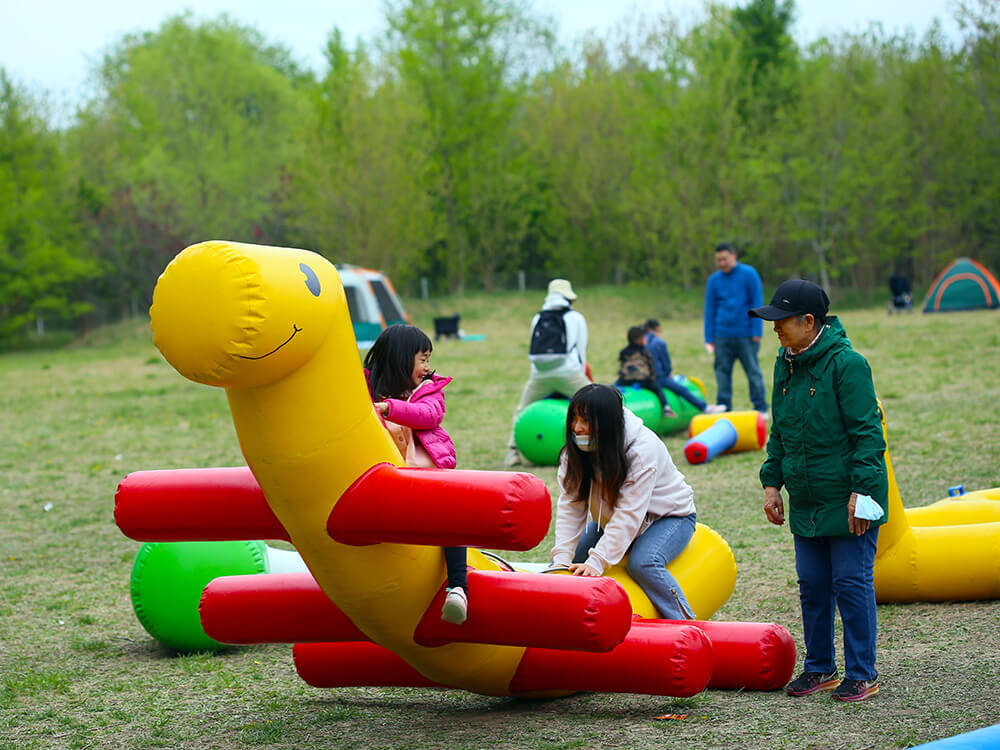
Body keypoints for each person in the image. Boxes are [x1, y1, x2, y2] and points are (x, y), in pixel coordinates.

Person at [750, 279, 888, 703]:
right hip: (807, 498)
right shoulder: (785, 363)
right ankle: (820, 668)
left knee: (850, 583)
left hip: (848, 498)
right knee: (812, 584)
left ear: (810, 322)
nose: (774, 328)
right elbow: (781, 429)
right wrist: (772, 483)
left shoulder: (848, 364)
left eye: (782, 321)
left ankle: (862, 673)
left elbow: (869, 435)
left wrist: (861, 494)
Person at [549, 384, 697, 620]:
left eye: (585, 421)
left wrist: (598, 560)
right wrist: (561, 558)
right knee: (574, 562)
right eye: (574, 419)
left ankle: (683, 621)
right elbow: (571, 505)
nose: (577, 428)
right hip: (610, 521)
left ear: (608, 423)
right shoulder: (573, 453)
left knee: (644, 563)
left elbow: (630, 513)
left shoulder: (641, 451)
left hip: (669, 517)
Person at [363, 324, 469, 625]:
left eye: (428, 359)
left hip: (425, 475)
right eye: (422, 359)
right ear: (399, 358)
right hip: (381, 475)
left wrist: (387, 408)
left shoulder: (430, 389)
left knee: (451, 514)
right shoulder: (363, 385)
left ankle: (458, 587)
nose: (427, 366)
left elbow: (428, 415)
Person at [505, 279, 590, 466]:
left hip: (539, 375)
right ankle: (599, 447)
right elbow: (581, 350)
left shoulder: (538, 317)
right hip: (569, 373)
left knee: (522, 409)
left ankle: (513, 451)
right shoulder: (575, 317)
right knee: (595, 404)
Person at [703, 243, 768, 415]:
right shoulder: (714, 280)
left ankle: (761, 407)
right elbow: (709, 309)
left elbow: (756, 301)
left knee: (753, 371)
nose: (722, 263)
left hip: (745, 334)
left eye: (724, 259)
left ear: (734, 256)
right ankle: (724, 405)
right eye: (718, 260)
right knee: (722, 372)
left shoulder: (749, 274)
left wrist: (756, 331)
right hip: (721, 334)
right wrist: (709, 337)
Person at [644, 318, 726, 415]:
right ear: (657, 328)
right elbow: (666, 364)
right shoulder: (659, 342)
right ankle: (705, 407)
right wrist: (668, 374)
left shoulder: (642, 340)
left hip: (642, 378)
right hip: (658, 377)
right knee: (682, 390)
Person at [615, 326, 675, 417]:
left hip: (625, 380)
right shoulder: (644, 351)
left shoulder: (624, 352)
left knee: (616, 385)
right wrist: (652, 379)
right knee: (658, 389)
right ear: (641, 340)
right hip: (643, 380)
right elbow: (650, 367)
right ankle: (666, 408)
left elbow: (622, 365)